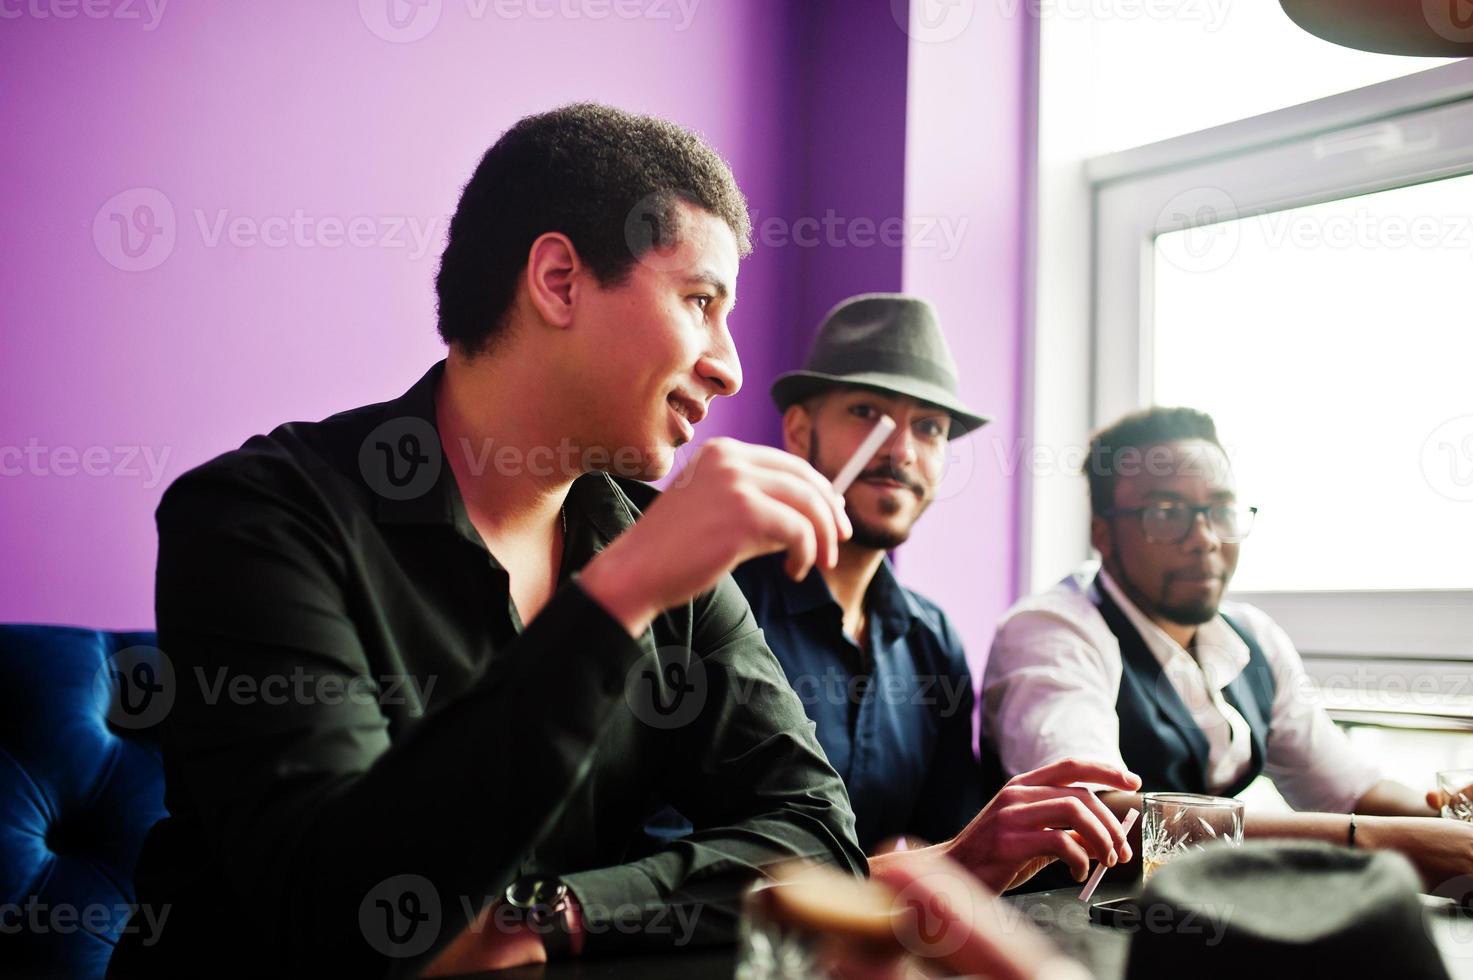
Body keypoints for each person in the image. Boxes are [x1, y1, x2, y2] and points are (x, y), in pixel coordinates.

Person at [110, 103, 870, 977]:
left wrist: (555, 915)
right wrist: (617, 598)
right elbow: (340, 914)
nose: (729, 365)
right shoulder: (258, 518)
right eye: (699, 300)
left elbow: (815, 834)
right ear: (557, 281)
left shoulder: (663, 548)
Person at [733, 294, 1139, 892]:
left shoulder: (932, 639)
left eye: (927, 428)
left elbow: (950, 838)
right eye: (866, 412)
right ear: (799, 430)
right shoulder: (716, 606)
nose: (898, 450)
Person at [982, 406, 1473, 888]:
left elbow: (1353, 792)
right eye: (1167, 513)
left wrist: (1444, 820)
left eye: (1220, 511)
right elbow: (1089, 818)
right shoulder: (1050, 630)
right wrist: (1366, 840)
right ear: (1103, 535)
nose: (1204, 538)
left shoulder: (1253, 637)